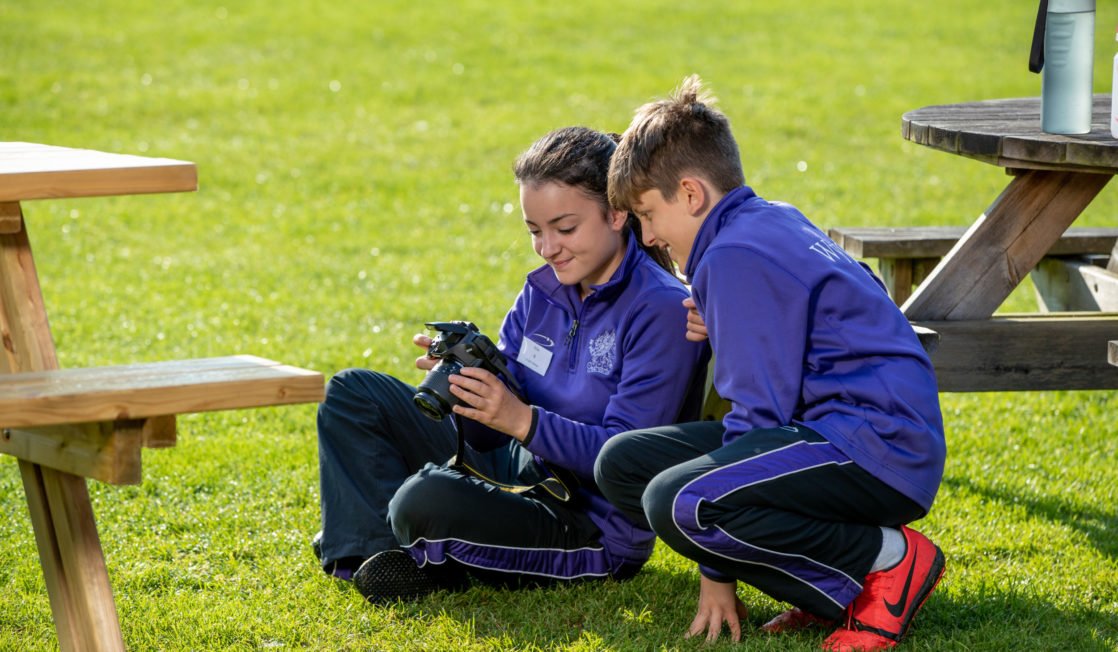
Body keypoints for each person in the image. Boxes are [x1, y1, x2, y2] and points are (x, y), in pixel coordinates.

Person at [594, 76, 947, 652]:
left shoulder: (732, 253)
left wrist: (716, 574)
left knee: (678, 501)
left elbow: (756, 415)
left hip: (873, 446)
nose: (650, 235)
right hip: (844, 432)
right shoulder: (766, 218)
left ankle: (893, 559)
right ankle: (832, 589)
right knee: (626, 464)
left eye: (647, 214)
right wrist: (730, 324)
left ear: (690, 193)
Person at [314, 125, 708, 603]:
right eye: (535, 231)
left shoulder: (661, 310)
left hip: (587, 525)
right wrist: (470, 385)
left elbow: (625, 461)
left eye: (565, 229)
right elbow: (490, 434)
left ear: (617, 213)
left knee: (425, 498)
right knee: (354, 393)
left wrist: (521, 419)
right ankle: (373, 559)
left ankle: (402, 540)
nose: (548, 248)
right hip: (516, 467)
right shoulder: (542, 290)